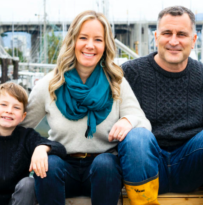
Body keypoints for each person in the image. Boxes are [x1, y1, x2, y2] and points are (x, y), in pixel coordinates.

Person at [21, 10, 151, 205]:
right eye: (83, 38)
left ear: (105, 45)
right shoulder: (49, 84)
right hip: (62, 168)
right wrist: (39, 146)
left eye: (98, 40)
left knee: (106, 163)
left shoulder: (116, 82)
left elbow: (142, 121)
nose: (90, 45)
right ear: (73, 40)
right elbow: (22, 129)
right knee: (49, 164)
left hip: (103, 172)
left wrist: (127, 120)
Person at [118, 6, 203, 205]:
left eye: (181, 34)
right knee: (137, 136)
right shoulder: (130, 74)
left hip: (191, 165)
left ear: (193, 41)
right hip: (145, 163)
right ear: (156, 37)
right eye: (167, 33)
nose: (174, 41)